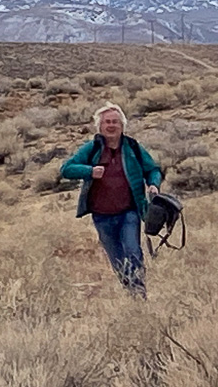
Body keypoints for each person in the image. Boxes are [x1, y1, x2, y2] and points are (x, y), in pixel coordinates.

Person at [60, 102, 161, 298]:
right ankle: (131, 292)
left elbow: (153, 169)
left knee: (133, 251)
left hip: (129, 212)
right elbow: (66, 169)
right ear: (100, 126)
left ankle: (140, 294)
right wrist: (89, 171)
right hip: (102, 216)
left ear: (122, 125)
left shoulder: (132, 147)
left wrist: (153, 184)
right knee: (117, 259)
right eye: (107, 122)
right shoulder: (92, 148)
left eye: (115, 121)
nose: (111, 125)